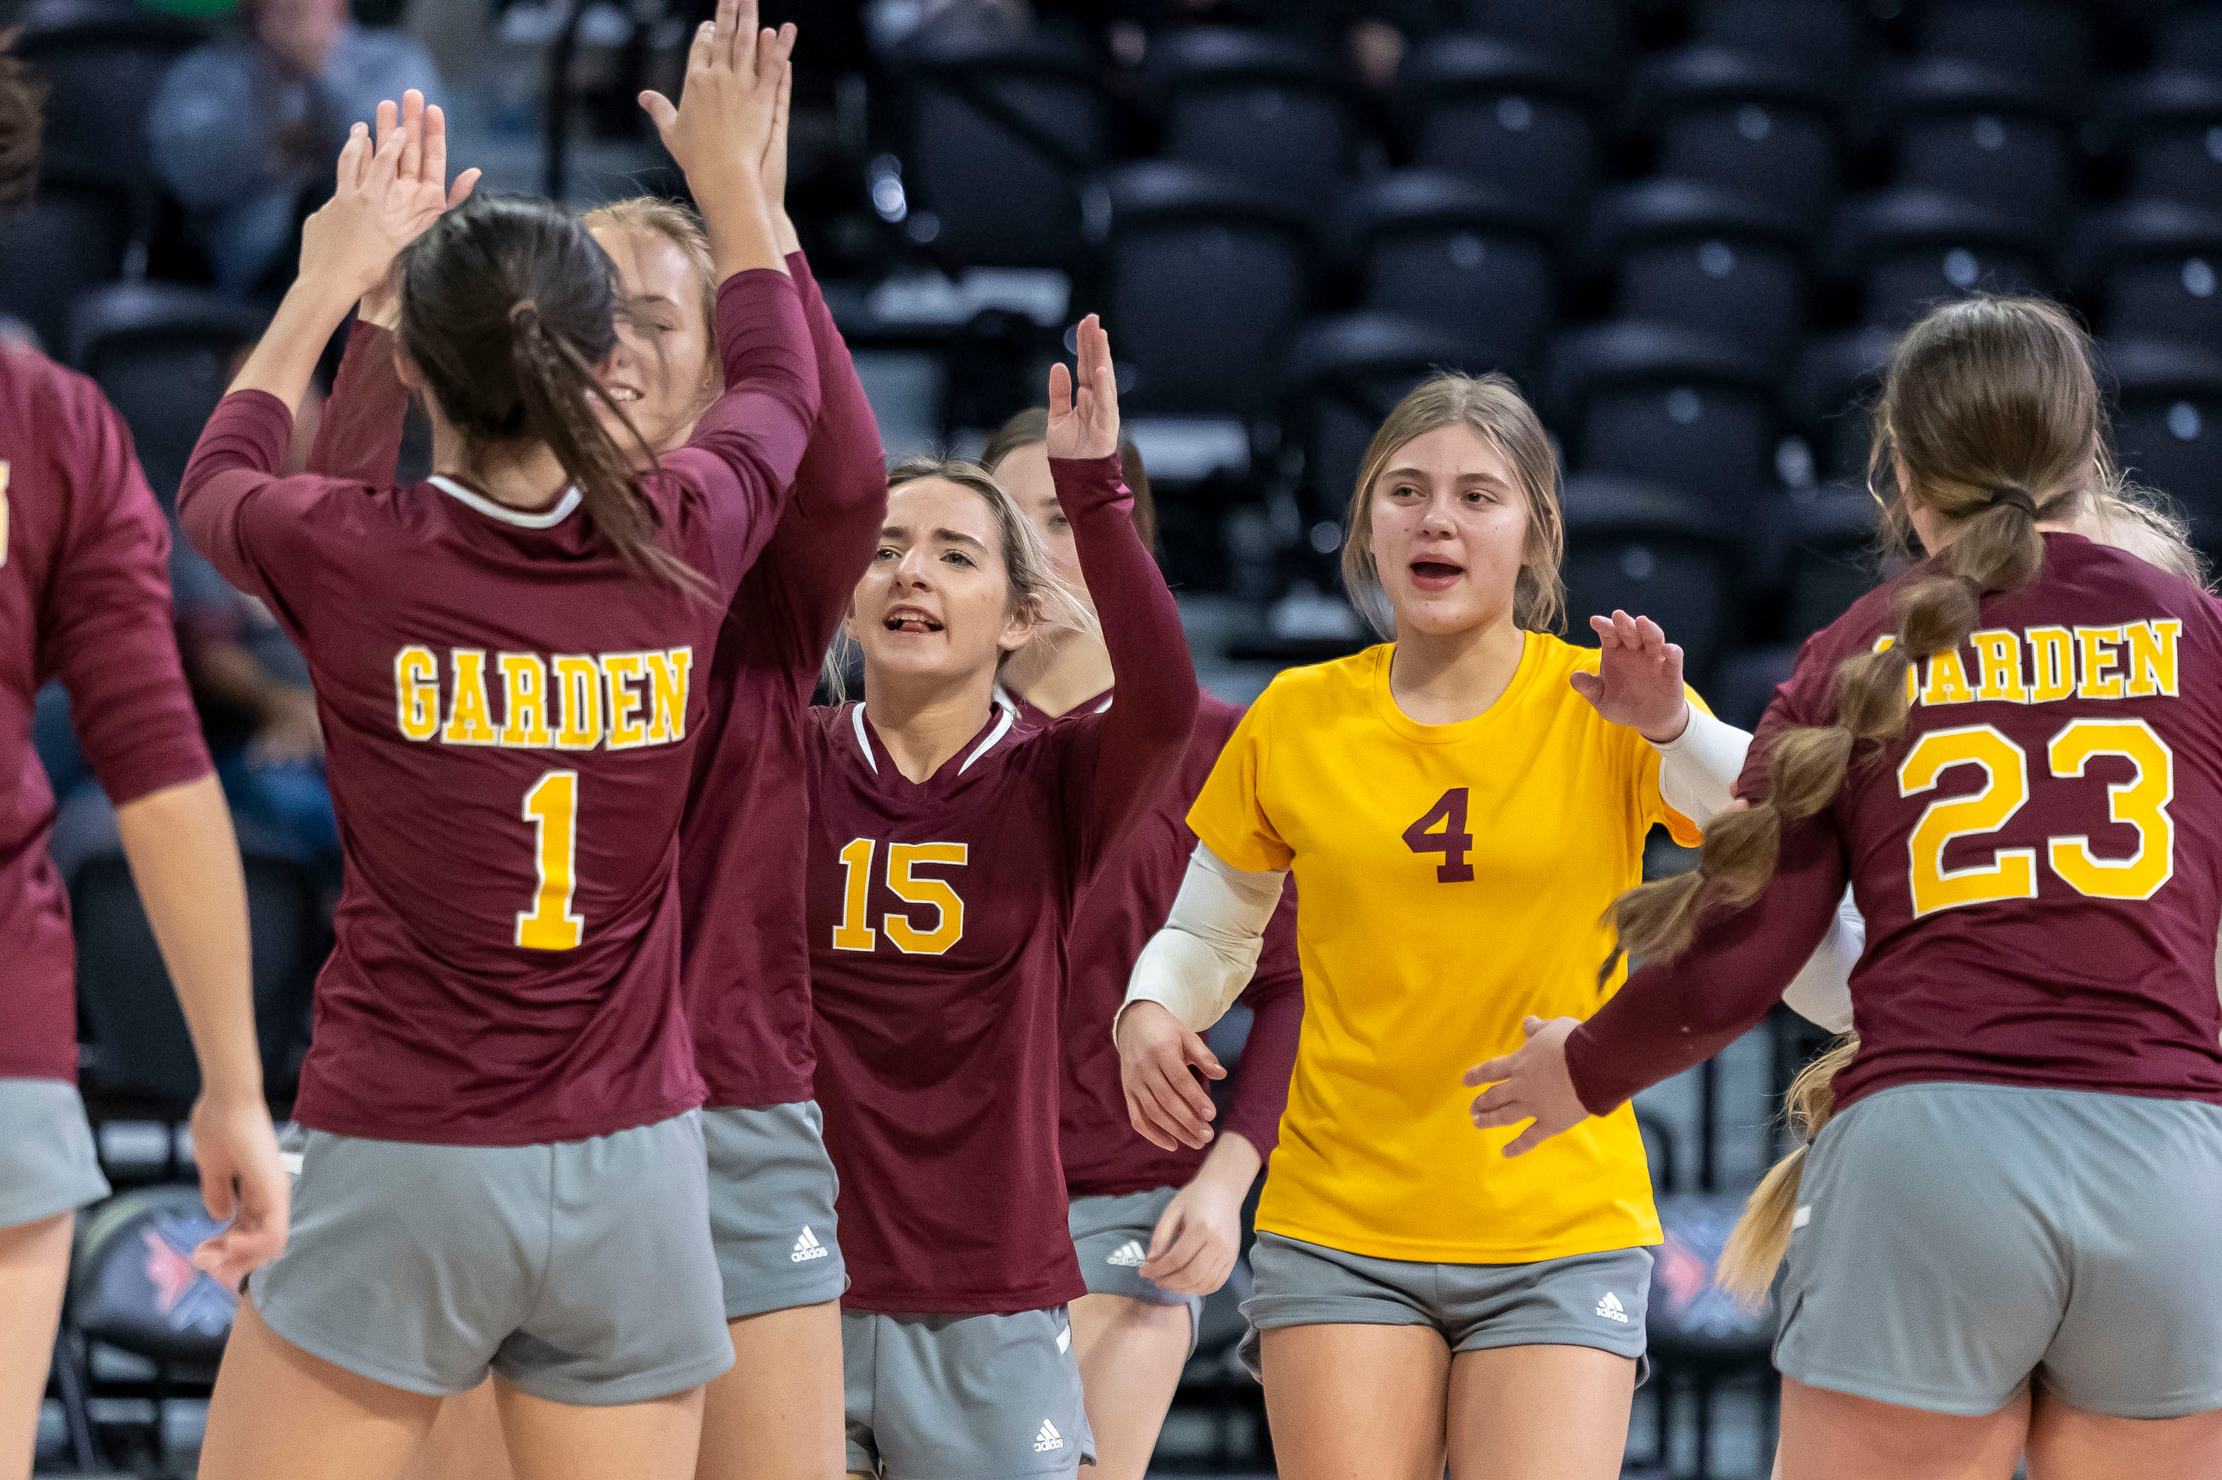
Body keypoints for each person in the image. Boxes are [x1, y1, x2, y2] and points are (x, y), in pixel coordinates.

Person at [181, 7, 820, 1475]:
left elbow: (218, 481)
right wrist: (736, 192)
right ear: (606, 363)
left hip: (406, 1146)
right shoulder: (692, 533)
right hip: (637, 1169)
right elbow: (780, 390)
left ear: (413, 367)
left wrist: (330, 282)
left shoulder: (355, 551)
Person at [1466, 296, 2222, 1480]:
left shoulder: (1859, 648)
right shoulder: (2197, 631)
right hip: (2171, 1161)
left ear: (1900, 477)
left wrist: (1586, 1067)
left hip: (1930, 1160)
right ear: (2089, 459)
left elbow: (1746, 937)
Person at [330, 62, 882, 1480]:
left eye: (658, 316)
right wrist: (382, 324)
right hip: (495, 1110)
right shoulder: (440, 558)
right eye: (596, 314)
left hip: (732, 1103)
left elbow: (841, 478)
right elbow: (327, 516)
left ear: (728, 365)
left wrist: (749, 207)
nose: (620, 345)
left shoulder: (745, 558)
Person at [1115, 371, 1761, 1480]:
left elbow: (1767, 819)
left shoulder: (1600, 703)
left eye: (1476, 495)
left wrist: (1671, 725)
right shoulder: (1298, 716)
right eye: (1404, 491)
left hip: (1559, 1223)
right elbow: (1212, 935)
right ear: (1366, 525)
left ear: (1533, 533)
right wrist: (1149, 1004)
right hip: (1340, 1224)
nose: (1436, 519)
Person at [810, 315, 1198, 1479]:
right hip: (792, 1273)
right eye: (883, 548)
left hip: (990, 1283)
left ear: (1022, 617)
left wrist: (1093, 496)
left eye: (954, 554)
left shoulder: (1054, 777)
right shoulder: (782, 752)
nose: (911, 571)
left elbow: (1166, 700)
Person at [0, 34, 288, 1480]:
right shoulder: (52, 422)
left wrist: (233, 1078)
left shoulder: (52, 420)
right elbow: (160, 761)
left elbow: (162, 757)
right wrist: (230, 1085)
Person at [978, 408, 1305, 1480]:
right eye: (1012, 522)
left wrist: (1224, 1177)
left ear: (1130, 543)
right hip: (924, 1198)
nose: (1042, 550)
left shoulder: (1222, 749)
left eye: (1067, 518)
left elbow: (1297, 983)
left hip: (1126, 1202)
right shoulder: (901, 746)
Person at [150, 0, 445, 299]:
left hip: (371, 283)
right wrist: (267, 83)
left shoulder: (394, 60)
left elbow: (403, 167)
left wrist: (321, 68)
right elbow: (188, 181)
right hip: (246, 286)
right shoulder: (208, 70)